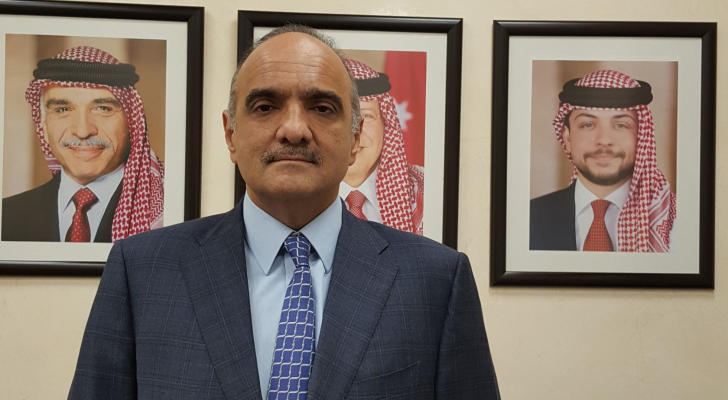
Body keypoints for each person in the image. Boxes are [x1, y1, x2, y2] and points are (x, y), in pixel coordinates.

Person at [68, 25, 499, 400]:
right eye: (265, 106)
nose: (294, 129)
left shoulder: (436, 281)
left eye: (322, 108)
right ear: (230, 134)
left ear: (355, 140)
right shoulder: (142, 272)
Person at [1, 46, 163, 243]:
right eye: (62, 110)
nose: (83, 131)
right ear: (43, 125)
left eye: (103, 108)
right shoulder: (8, 215)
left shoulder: (164, 211)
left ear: (132, 122)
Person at [530, 69, 676, 252]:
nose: (604, 140)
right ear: (567, 139)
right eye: (587, 125)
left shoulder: (675, 222)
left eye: (621, 125)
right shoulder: (528, 218)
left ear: (641, 137)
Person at [339, 59, 424, 234]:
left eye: (366, 116)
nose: (353, 133)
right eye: (338, 117)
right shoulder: (290, 193)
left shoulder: (425, 189)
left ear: (386, 124)